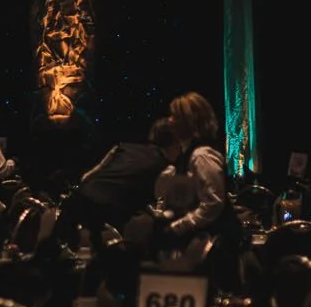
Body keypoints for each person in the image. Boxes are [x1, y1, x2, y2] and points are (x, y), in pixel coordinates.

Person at [63, 117, 181, 238]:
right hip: (110, 214)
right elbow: (155, 205)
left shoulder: (122, 147)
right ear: (174, 143)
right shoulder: (167, 169)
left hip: (79, 199)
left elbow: (87, 176)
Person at [162, 91, 228, 236]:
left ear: (190, 121)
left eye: (175, 117)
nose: (169, 121)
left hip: (211, 244)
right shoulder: (186, 155)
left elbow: (213, 203)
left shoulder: (202, 155)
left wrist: (177, 227)